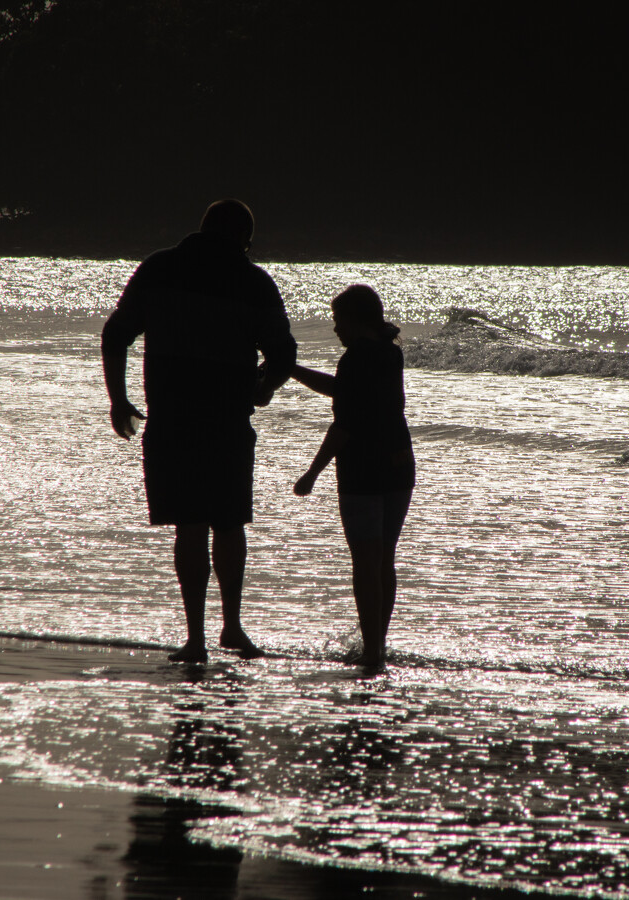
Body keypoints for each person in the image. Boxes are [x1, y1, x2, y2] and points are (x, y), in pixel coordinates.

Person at [101, 199, 297, 664]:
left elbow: (116, 334)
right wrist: (264, 387)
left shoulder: (160, 268)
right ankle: (231, 626)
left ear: (202, 228)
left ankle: (196, 639)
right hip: (228, 421)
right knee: (228, 524)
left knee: (189, 527)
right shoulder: (253, 282)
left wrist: (119, 399)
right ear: (245, 240)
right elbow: (284, 354)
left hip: (172, 419)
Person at [292, 284, 415, 667]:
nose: (334, 329)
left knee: (365, 561)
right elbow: (345, 392)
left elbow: (345, 424)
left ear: (355, 320)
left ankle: (373, 652)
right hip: (399, 464)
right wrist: (293, 370)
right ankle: (376, 644)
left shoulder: (355, 358)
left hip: (363, 469)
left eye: (338, 320)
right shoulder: (389, 353)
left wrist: (312, 473)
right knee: (384, 560)